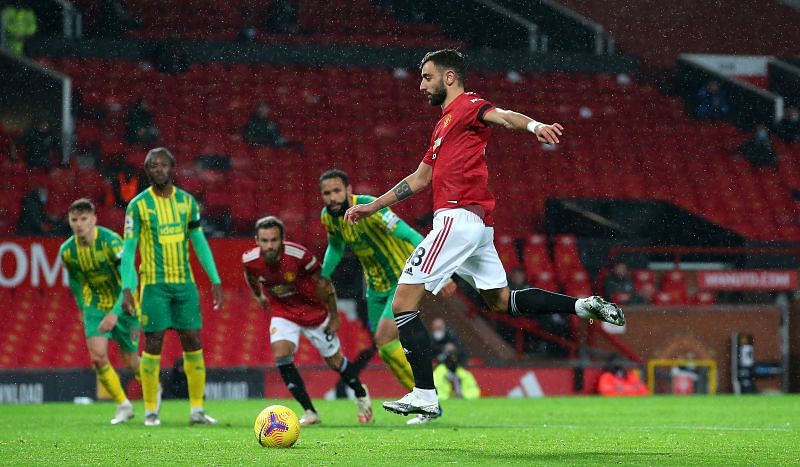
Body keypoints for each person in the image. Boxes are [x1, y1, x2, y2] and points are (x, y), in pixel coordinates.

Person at [344, 49, 625, 417]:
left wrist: (535, 126)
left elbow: (504, 117)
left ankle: (425, 394)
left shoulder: (469, 105)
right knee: (500, 301)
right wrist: (371, 206)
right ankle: (581, 306)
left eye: (427, 77)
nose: (421, 84)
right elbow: (420, 178)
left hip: (456, 218)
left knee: (401, 304)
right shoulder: (443, 125)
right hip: (475, 226)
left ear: (449, 77)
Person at [319, 169, 455, 425]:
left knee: (384, 336)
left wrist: (440, 270)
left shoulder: (371, 208)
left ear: (349, 190)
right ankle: (427, 401)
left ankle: (428, 397)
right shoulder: (329, 218)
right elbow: (336, 247)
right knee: (384, 347)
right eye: (327, 193)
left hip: (401, 279)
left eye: (337, 190)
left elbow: (408, 233)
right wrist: (322, 276)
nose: (332, 197)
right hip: (375, 287)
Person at [120, 147, 224, 427]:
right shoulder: (138, 206)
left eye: (164, 164)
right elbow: (129, 250)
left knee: (193, 340)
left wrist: (214, 278)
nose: (159, 169)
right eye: (153, 165)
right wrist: (127, 288)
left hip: (184, 285)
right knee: (153, 343)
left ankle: (197, 411)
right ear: (147, 171)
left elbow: (199, 241)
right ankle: (151, 410)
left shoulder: (187, 203)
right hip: (153, 285)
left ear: (172, 167)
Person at [242, 216, 372, 426]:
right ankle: (310, 412)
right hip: (283, 312)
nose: (269, 246)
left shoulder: (299, 255)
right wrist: (259, 296)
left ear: (282, 239)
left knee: (335, 362)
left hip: (314, 313)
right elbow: (250, 276)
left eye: (274, 240)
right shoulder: (249, 260)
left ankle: (360, 392)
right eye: (264, 240)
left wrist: (335, 316)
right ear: (257, 241)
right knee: (282, 356)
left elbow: (325, 282)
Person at [59, 198, 142, 424]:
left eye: (83, 219)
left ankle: (155, 388)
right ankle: (123, 405)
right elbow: (75, 280)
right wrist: (80, 307)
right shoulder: (67, 251)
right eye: (74, 219)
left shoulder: (111, 242)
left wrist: (116, 311)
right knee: (97, 358)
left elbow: (130, 275)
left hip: (123, 303)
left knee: (131, 362)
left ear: (94, 220)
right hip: (94, 304)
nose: (78, 224)